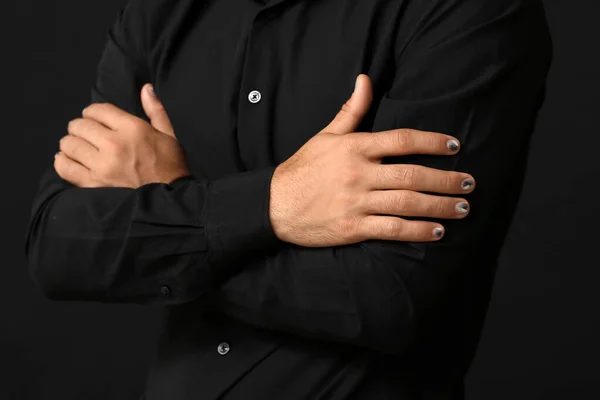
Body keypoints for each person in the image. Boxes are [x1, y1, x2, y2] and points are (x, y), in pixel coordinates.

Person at [24, 0, 552, 398]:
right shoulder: (159, 13)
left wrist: (166, 224)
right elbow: (59, 248)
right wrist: (276, 202)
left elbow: (394, 298)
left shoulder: (467, 12)